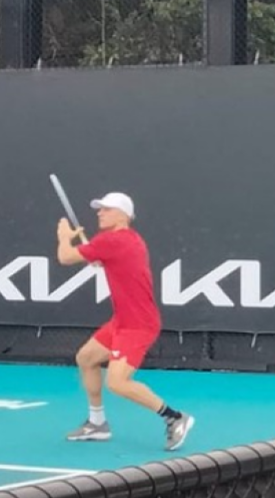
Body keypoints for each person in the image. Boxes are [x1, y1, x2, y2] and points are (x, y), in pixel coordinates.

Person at [55, 191, 195, 451]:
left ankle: (174, 417)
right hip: (122, 320)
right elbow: (106, 260)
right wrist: (97, 258)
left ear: (123, 215)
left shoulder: (112, 241)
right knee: (86, 358)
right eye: (100, 208)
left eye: (106, 209)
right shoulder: (127, 240)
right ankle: (97, 424)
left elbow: (65, 257)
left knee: (118, 382)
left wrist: (64, 237)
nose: (100, 212)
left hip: (138, 325)